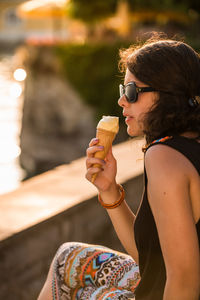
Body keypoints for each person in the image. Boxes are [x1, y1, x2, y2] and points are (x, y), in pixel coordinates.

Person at [38, 34, 200, 300]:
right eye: (122, 91)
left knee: (85, 285)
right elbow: (151, 259)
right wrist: (109, 190)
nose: (122, 101)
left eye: (132, 92)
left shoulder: (164, 157)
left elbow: (184, 281)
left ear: (168, 93)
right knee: (68, 258)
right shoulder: (187, 144)